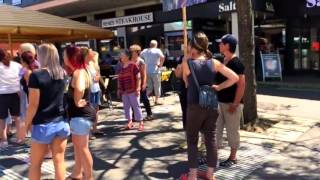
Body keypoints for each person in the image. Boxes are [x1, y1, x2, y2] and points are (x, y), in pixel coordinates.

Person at [181, 32, 239, 180]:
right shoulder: (214, 62)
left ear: (193, 46)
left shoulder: (187, 63)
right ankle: (210, 174)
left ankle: (192, 176)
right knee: (211, 139)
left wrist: (187, 55)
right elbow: (235, 77)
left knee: (192, 140)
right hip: (212, 106)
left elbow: (186, 83)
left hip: (194, 106)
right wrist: (218, 87)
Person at [22, 44, 70, 180]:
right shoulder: (62, 73)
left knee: (35, 164)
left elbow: (33, 105)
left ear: (41, 56)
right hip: (61, 122)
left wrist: (27, 124)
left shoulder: (36, 75)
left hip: (43, 124)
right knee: (59, 161)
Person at [64, 45, 95, 180]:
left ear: (71, 57)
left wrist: (77, 100)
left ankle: (88, 177)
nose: (63, 57)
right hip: (81, 115)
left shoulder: (78, 72)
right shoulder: (82, 70)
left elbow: (81, 87)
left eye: (65, 55)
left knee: (82, 149)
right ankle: (77, 173)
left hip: (80, 115)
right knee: (79, 148)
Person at [216, 34, 246, 168]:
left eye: (221, 43)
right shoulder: (222, 61)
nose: (219, 45)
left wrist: (235, 103)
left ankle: (233, 157)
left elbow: (241, 85)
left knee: (232, 131)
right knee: (215, 129)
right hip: (219, 102)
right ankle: (212, 156)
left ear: (227, 46)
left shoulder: (237, 63)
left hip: (232, 104)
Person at [0, 48, 22, 149]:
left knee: (2, 119)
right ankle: (20, 138)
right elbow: (24, 72)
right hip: (15, 93)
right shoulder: (16, 65)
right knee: (17, 118)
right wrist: (17, 81)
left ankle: (4, 141)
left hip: (2, 95)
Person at [117, 50, 144, 131]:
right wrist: (119, 89)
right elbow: (119, 78)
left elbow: (138, 77)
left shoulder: (133, 65)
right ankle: (129, 122)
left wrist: (138, 88)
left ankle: (141, 123)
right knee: (126, 107)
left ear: (127, 56)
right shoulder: (121, 66)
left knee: (136, 106)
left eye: (122, 55)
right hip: (124, 91)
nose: (120, 57)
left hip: (133, 90)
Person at [83, 48, 104, 138]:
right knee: (89, 111)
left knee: (96, 110)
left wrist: (97, 77)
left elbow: (98, 74)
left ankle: (95, 128)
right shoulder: (83, 66)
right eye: (91, 52)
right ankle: (89, 132)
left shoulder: (93, 64)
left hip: (96, 89)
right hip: (89, 90)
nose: (93, 54)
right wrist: (92, 79)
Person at [130, 44, 153, 120]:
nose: (131, 52)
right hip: (132, 83)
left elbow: (144, 73)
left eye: (132, 51)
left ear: (137, 52)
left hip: (140, 82)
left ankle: (149, 114)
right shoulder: (130, 61)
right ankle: (134, 115)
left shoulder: (141, 61)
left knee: (144, 98)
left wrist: (144, 83)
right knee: (133, 100)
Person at [140, 40, 165, 105]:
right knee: (157, 86)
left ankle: (145, 99)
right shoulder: (157, 50)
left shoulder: (145, 51)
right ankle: (157, 100)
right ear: (156, 45)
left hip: (146, 71)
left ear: (150, 44)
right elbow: (163, 57)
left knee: (149, 87)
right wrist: (160, 65)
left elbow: (139, 57)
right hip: (155, 70)